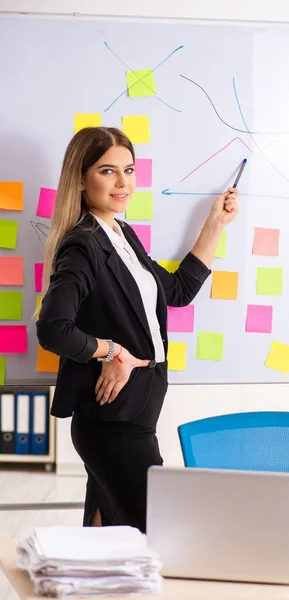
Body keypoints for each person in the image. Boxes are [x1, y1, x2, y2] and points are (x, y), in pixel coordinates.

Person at [37, 126, 239, 532]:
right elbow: (54, 329)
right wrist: (111, 351)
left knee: (105, 539)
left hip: (135, 413)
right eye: (108, 171)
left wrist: (215, 224)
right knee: (163, 532)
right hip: (115, 422)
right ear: (80, 178)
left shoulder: (122, 235)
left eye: (128, 170)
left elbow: (178, 291)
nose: (122, 182)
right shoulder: (83, 244)